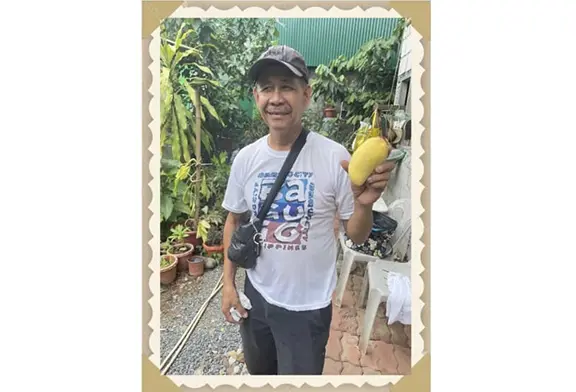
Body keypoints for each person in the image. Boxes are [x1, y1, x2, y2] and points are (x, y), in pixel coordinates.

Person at [220, 45, 396, 375]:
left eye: (286, 86)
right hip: (256, 297)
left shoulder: (333, 157)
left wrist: (362, 204)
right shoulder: (246, 159)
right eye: (267, 88)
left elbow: (355, 234)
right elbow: (234, 220)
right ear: (256, 96)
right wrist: (229, 284)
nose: (276, 98)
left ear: (306, 95)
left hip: (307, 308)